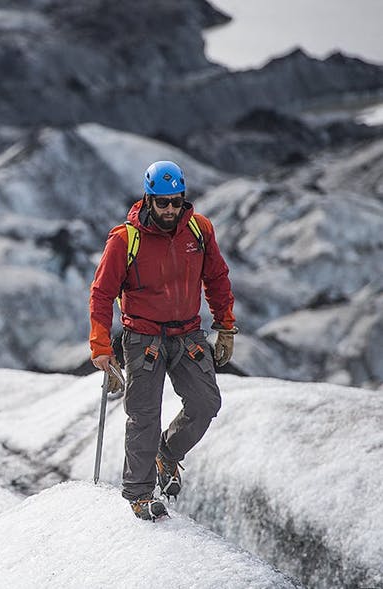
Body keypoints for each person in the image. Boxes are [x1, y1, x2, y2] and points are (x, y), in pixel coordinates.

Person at [89, 160, 238, 521]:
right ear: (149, 198)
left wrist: (226, 326)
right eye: (163, 202)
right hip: (143, 338)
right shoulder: (125, 239)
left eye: (176, 201)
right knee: (144, 416)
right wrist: (101, 348)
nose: (170, 209)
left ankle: (167, 454)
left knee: (205, 403)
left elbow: (216, 278)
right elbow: (101, 294)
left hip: (188, 334)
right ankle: (139, 494)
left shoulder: (199, 230)